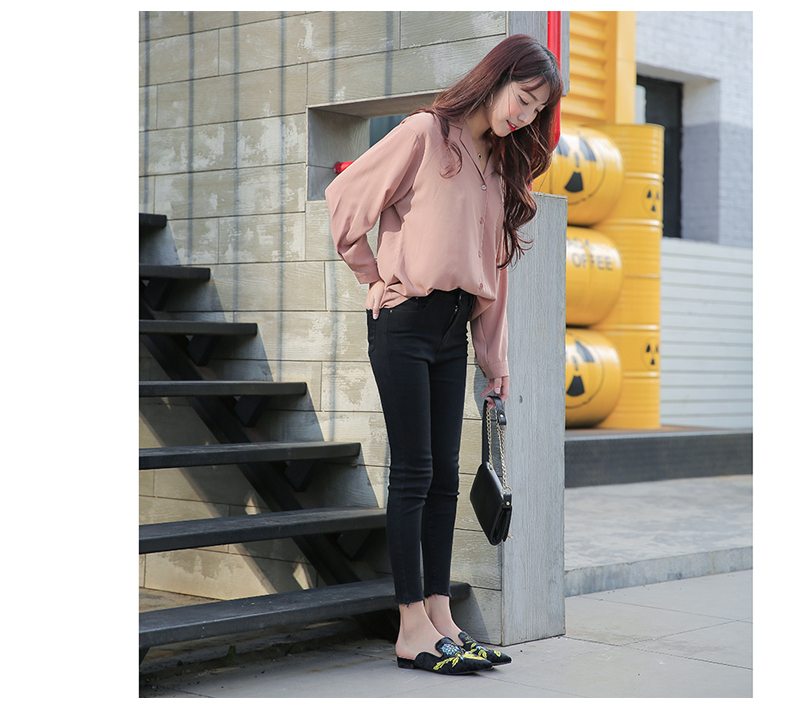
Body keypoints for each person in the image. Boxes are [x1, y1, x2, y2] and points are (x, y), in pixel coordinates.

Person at [325, 34, 562, 675]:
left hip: (454, 329)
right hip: (405, 321)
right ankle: (410, 629)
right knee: (414, 473)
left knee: (444, 479)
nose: (526, 116)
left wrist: (495, 361)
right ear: (497, 79)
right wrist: (375, 277)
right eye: (524, 99)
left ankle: (440, 617)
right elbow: (345, 201)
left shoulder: (501, 164)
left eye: (538, 110)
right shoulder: (424, 133)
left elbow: (495, 274)